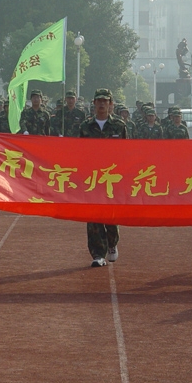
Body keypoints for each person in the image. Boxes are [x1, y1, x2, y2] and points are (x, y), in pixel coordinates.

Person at [77, 88, 127, 267]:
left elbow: (128, 152)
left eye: (105, 101)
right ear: (94, 104)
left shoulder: (119, 126)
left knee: (111, 216)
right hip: (92, 179)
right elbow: (78, 153)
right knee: (93, 217)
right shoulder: (85, 127)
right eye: (99, 101)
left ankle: (112, 243)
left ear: (111, 104)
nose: (102, 104)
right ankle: (98, 253)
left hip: (112, 179)